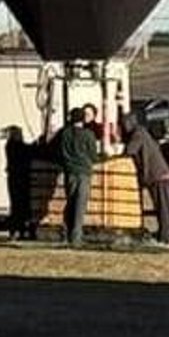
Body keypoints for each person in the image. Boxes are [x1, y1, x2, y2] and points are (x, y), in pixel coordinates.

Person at [126, 107, 169, 243]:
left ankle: (164, 236)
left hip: (156, 174)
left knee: (162, 207)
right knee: (167, 206)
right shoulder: (143, 132)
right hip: (161, 173)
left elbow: (130, 151)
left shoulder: (138, 134)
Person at [54, 105, 105, 245]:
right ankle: (76, 237)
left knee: (70, 202)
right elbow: (93, 157)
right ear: (83, 119)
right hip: (84, 172)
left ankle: (66, 232)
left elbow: (57, 151)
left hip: (69, 172)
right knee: (80, 205)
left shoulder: (64, 133)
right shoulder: (88, 135)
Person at [0, 123, 35, 241]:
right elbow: (30, 151)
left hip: (12, 178)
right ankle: (20, 230)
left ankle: (15, 231)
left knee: (15, 204)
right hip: (21, 178)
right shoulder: (18, 147)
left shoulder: (9, 146)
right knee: (21, 205)